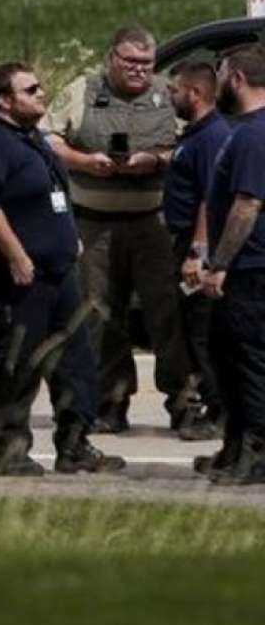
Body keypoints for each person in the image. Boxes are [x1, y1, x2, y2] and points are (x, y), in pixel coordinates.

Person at [0, 61, 125, 476]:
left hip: (59, 273)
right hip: (19, 279)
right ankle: (13, 451)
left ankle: (74, 446)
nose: (40, 94)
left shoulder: (31, 138)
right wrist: (17, 256)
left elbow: (50, 194)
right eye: (31, 90)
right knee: (17, 364)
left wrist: (70, 237)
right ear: (4, 100)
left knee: (76, 363)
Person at [42, 24, 196, 437]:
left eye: (146, 63)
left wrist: (157, 160)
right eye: (130, 62)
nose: (139, 71)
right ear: (111, 58)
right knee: (101, 314)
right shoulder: (82, 90)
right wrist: (83, 160)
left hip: (154, 223)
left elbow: (194, 141)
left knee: (166, 316)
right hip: (94, 224)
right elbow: (47, 138)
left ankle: (183, 403)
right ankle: (111, 403)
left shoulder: (168, 93)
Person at [200, 44, 265, 485]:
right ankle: (235, 449)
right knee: (228, 360)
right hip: (246, 268)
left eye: (221, 74)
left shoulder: (252, 135)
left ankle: (256, 456)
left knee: (250, 363)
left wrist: (219, 263)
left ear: (237, 79)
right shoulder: (246, 131)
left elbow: (247, 205)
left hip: (250, 269)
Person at [162, 61, 229, 440]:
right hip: (182, 240)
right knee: (193, 332)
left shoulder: (212, 137)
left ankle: (220, 411)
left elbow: (210, 196)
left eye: (174, 91)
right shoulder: (195, 133)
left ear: (195, 93)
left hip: (196, 244)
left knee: (204, 334)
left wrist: (198, 253)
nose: (170, 97)